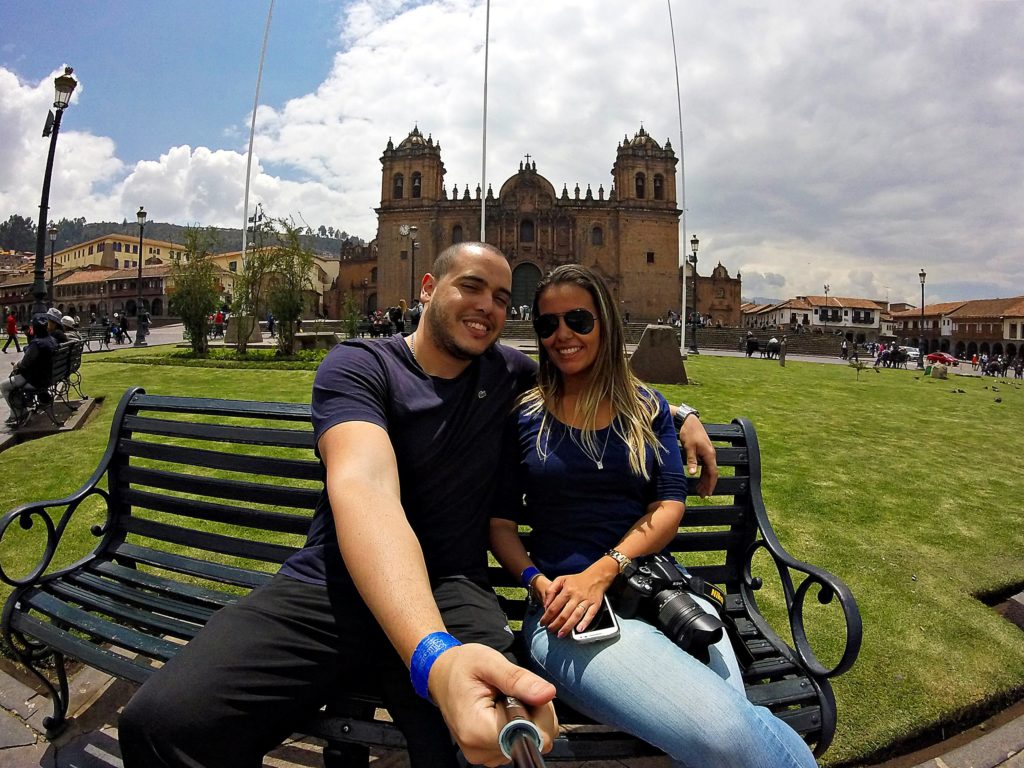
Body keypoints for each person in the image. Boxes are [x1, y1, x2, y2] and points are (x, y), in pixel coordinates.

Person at [118, 243, 719, 768]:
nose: (488, 305)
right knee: (163, 723)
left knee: (502, 741)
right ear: (429, 288)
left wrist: (679, 413)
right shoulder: (359, 366)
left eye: (503, 296)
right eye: (471, 286)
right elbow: (365, 489)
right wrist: (432, 654)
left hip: (454, 589)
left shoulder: (507, 373)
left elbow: (590, 369)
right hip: (334, 584)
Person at [490, 264, 817, 768]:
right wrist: (537, 582)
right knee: (726, 729)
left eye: (579, 320)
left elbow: (669, 503)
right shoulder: (525, 414)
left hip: (663, 594)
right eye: (547, 324)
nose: (562, 335)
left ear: (606, 323)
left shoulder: (647, 408)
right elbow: (501, 524)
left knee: (725, 733)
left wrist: (605, 569)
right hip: (569, 617)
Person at [2, 317, 57, 425]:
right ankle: (19, 411)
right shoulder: (52, 340)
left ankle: (19, 413)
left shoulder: (37, 343)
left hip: (36, 380)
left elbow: (24, 365)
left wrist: (16, 365)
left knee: (4, 386)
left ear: (35, 329)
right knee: (12, 382)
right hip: (49, 377)